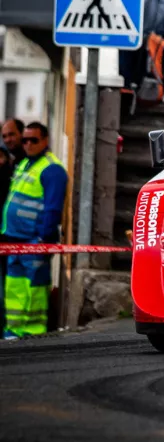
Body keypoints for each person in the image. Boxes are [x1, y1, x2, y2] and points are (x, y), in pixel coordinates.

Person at [2, 123, 67, 339]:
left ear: (45, 140)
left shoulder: (52, 169)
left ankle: (33, 332)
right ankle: (14, 330)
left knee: (35, 289)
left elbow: (53, 208)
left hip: (34, 241)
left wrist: (42, 238)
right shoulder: (24, 164)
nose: (28, 144)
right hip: (15, 240)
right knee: (15, 288)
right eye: (25, 140)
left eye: (34, 140)